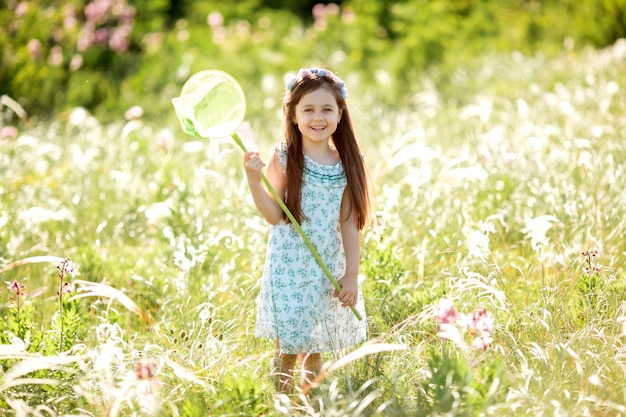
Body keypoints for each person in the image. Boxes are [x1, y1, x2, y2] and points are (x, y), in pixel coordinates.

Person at [243, 67, 370, 393]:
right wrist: (254, 183)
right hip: (290, 268)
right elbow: (274, 215)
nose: (318, 117)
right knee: (288, 347)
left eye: (327, 108)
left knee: (316, 347)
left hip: (327, 264)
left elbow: (348, 224)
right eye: (308, 109)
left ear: (340, 114)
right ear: (294, 115)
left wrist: (351, 274)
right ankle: (283, 403)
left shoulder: (347, 163)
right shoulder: (285, 156)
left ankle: (308, 403)